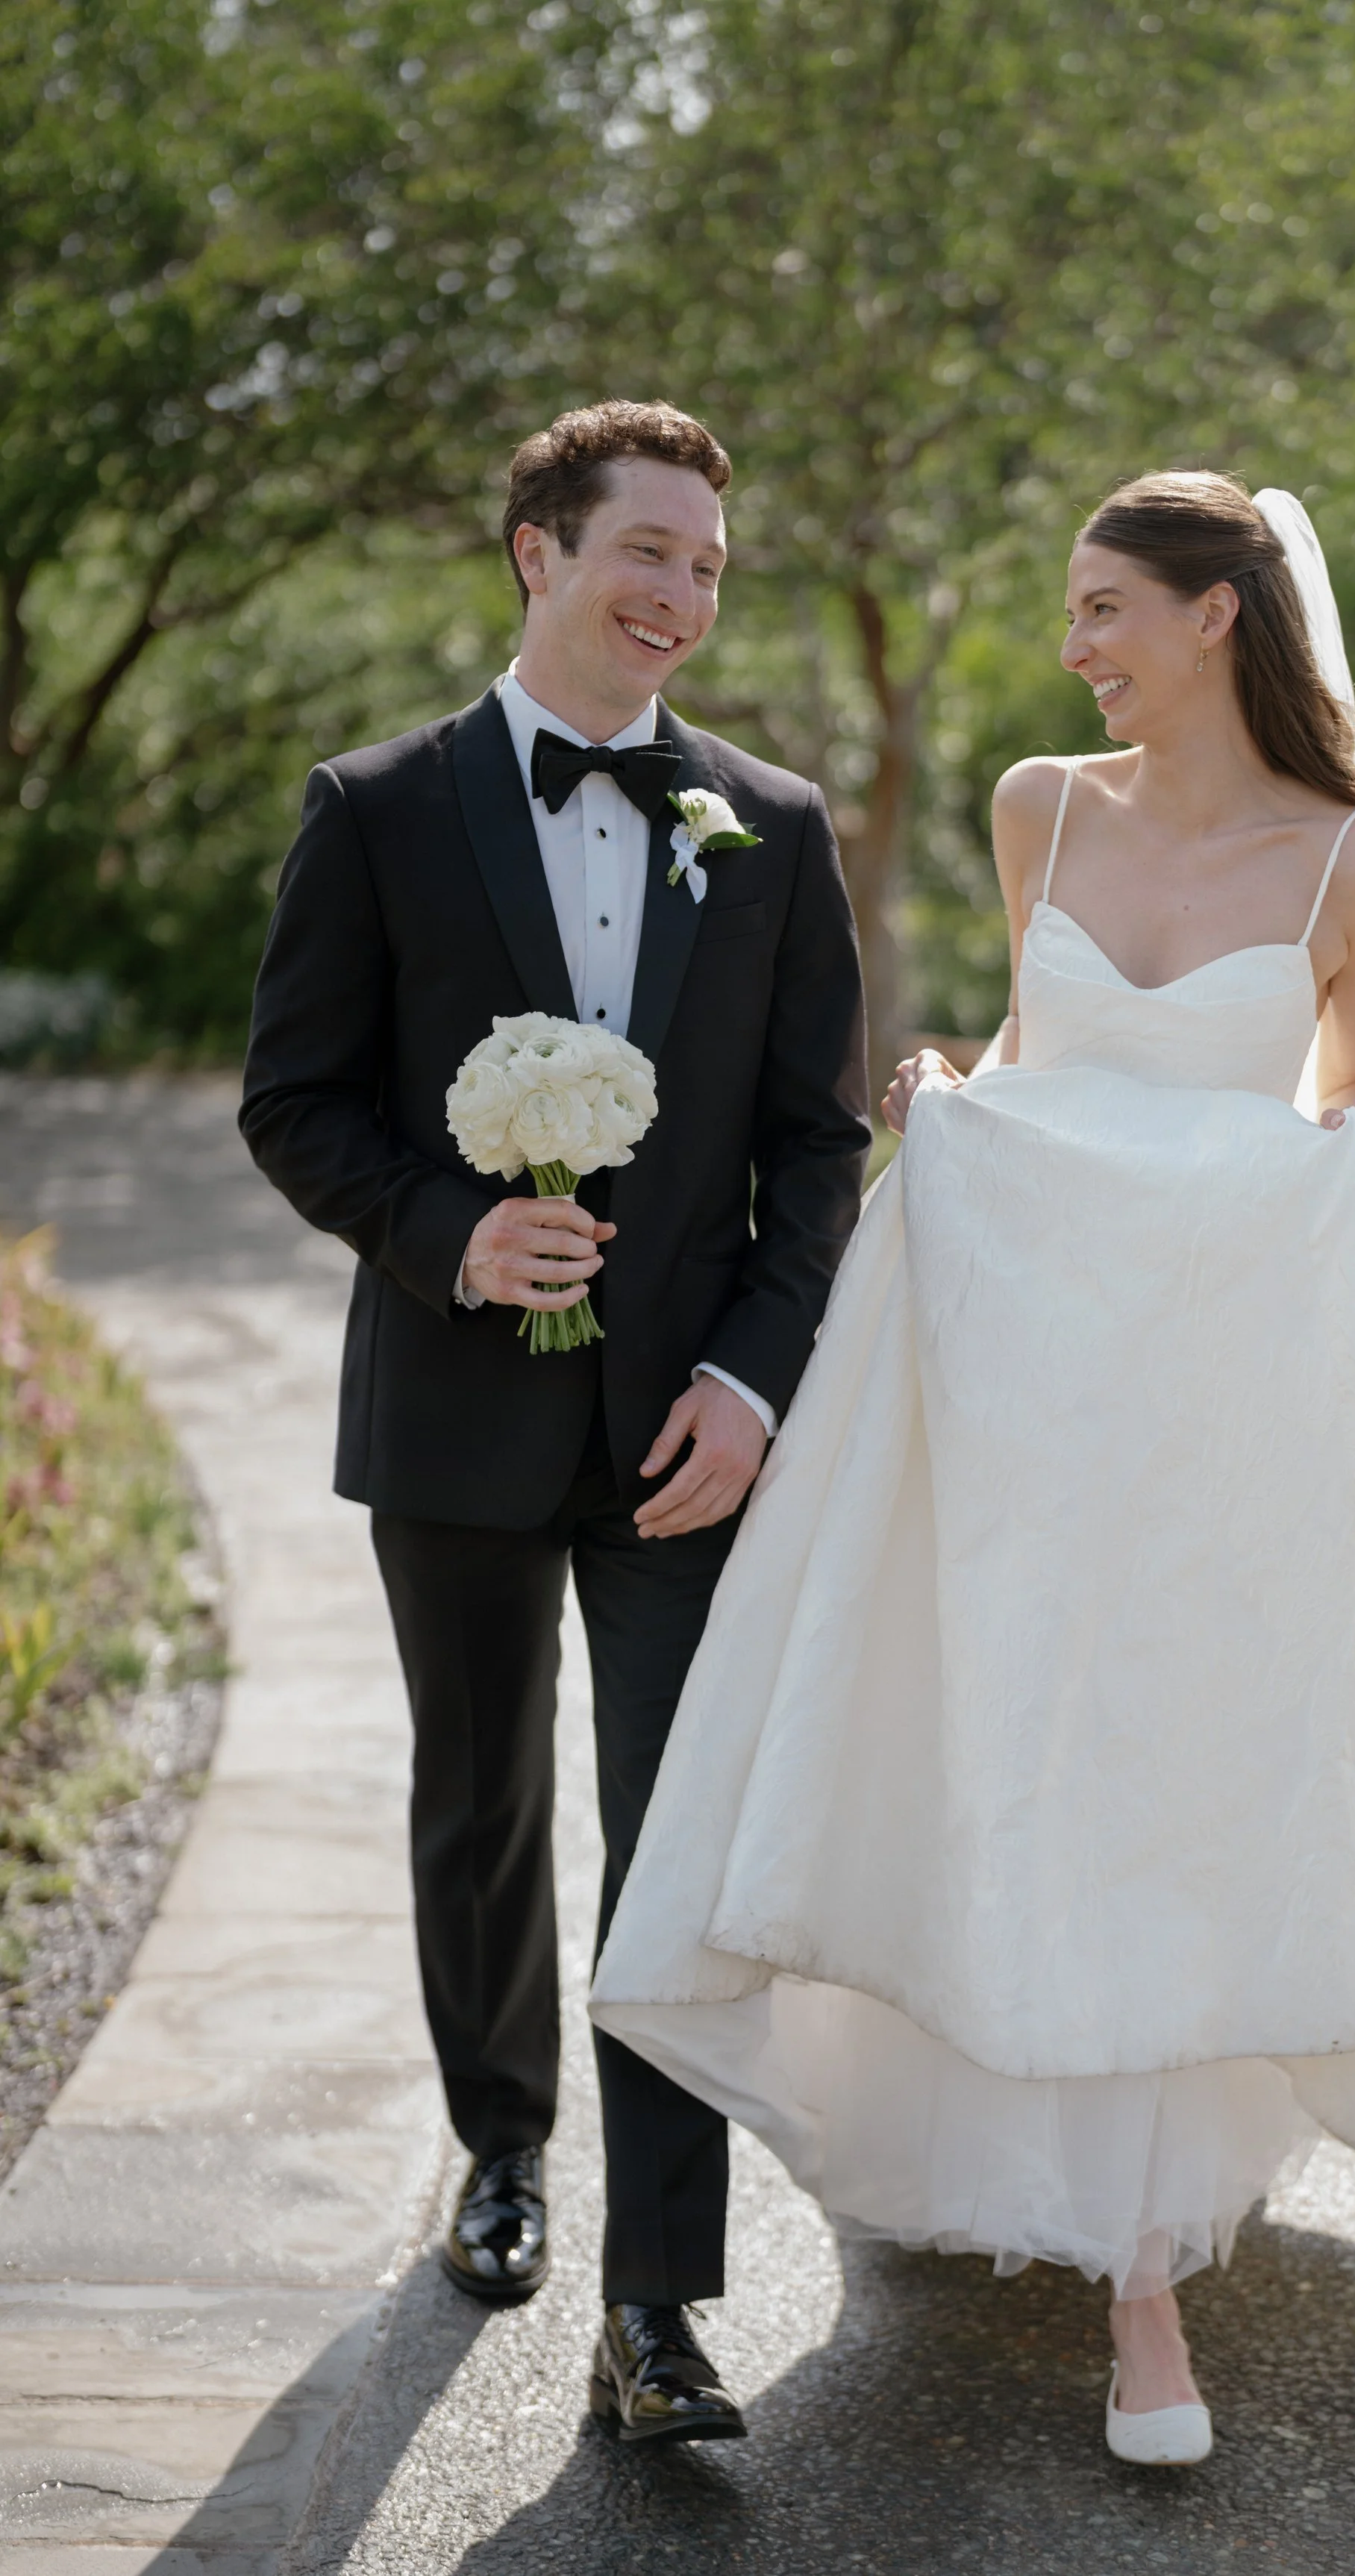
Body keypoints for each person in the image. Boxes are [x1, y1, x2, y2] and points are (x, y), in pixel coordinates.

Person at [590, 471, 1355, 2466]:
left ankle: (1141, 2286)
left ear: (1216, 615)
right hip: (1029, 1357)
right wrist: (957, 1097)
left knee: (1177, 1762)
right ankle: (1077, 2189)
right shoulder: (1037, 804)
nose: (1074, 644)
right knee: (1022, 1738)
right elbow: (1038, 1050)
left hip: (1224, 1385)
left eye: (1105, 605)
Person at [240, 399, 869, 2443]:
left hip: (685, 1431)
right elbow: (296, 1100)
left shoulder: (768, 824)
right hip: (449, 1409)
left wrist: (754, 1379)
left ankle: (660, 2301)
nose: (680, 592)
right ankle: (500, 2147)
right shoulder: (379, 805)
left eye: (707, 562)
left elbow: (809, 1142)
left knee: (670, 1850)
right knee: (483, 1802)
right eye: (648, 550)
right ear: (537, 548)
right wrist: (445, 1231)